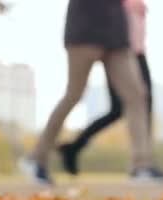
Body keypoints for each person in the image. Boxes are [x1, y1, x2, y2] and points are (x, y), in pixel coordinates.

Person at [17, 0, 163, 184]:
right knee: (74, 94)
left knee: (136, 95)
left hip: (116, 36)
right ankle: (36, 158)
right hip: (84, 31)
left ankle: (141, 165)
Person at [57, 0, 157, 176]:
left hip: (124, 47)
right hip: (123, 49)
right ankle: (68, 148)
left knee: (131, 103)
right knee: (115, 106)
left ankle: (142, 163)